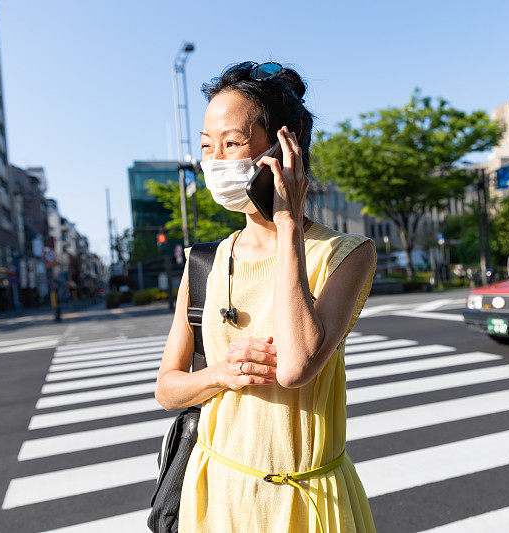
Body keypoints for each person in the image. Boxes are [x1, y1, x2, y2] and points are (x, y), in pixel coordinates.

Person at [154, 61, 377, 532]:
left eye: (232, 143)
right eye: (206, 147)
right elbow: (168, 389)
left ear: (284, 143)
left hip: (308, 500)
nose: (215, 160)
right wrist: (222, 374)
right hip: (217, 494)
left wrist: (289, 222)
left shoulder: (343, 255)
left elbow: (297, 367)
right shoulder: (204, 262)